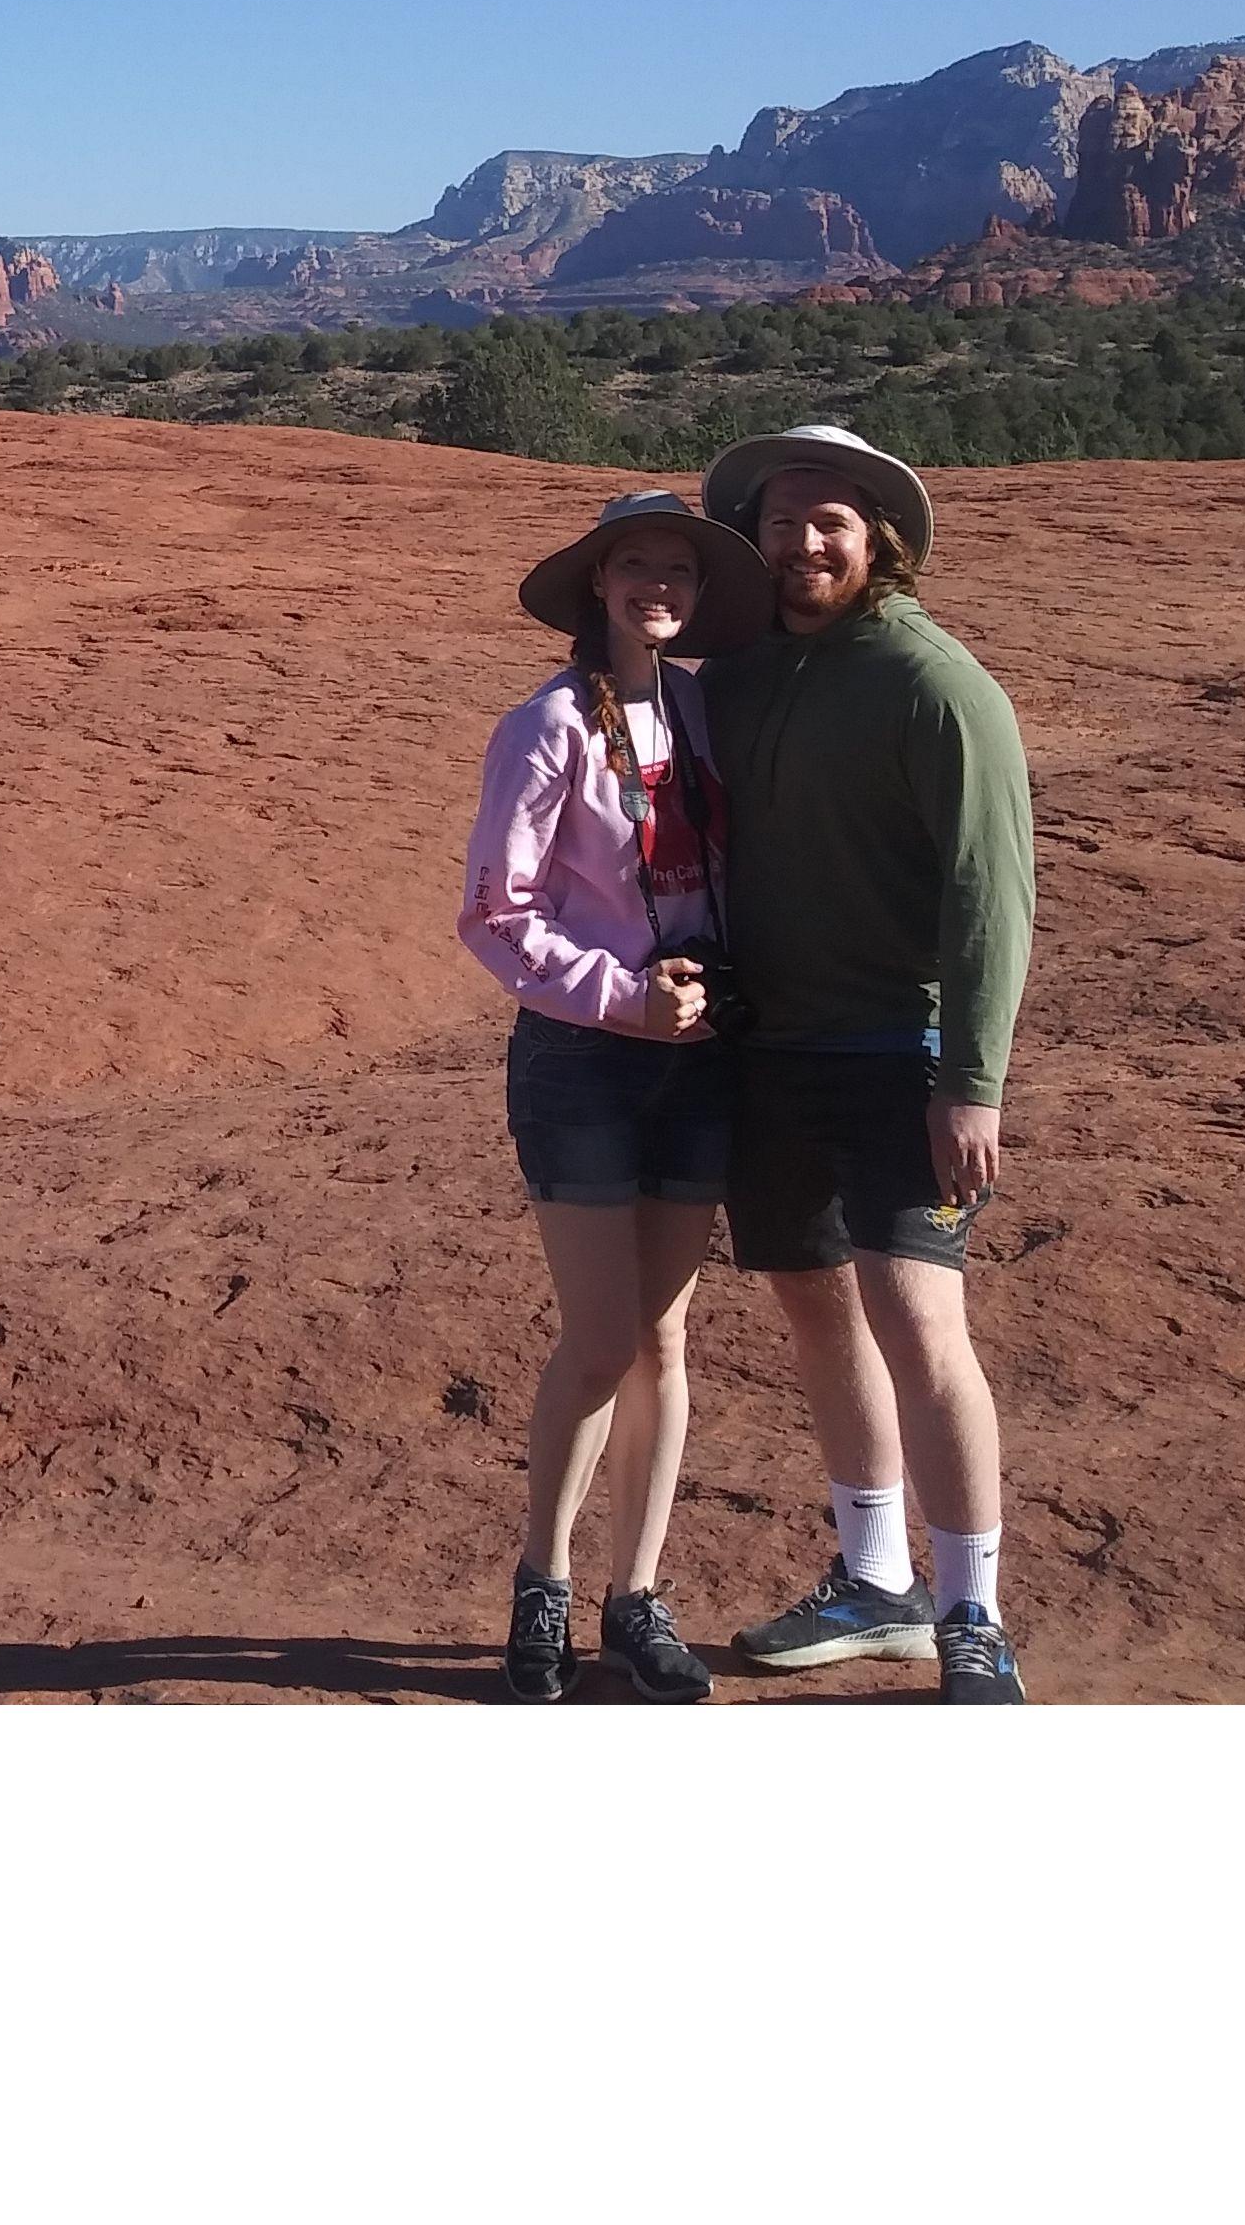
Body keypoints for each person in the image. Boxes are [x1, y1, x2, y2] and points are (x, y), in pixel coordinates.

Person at [694, 422, 1036, 1704]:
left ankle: (969, 1612)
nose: (798, 546)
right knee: (815, 1305)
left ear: (875, 535)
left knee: (916, 1316)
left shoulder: (933, 683)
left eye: (826, 522)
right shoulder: (740, 670)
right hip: (770, 1048)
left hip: (901, 1047)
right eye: (777, 524)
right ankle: (874, 1576)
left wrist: (973, 1082)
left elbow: (989, 896)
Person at [457, 485, 774, 1702]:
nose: (658, 586)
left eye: (678, 572)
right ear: (594, 582)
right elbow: (494, 910)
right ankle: (540, 1581)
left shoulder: (698, 707)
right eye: (635, 566)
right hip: (584, 1060)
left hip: (698, 1050)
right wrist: (616, 995)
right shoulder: (543, 726)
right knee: (597, 1338)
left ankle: (633, 1596)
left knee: (661, 1337)